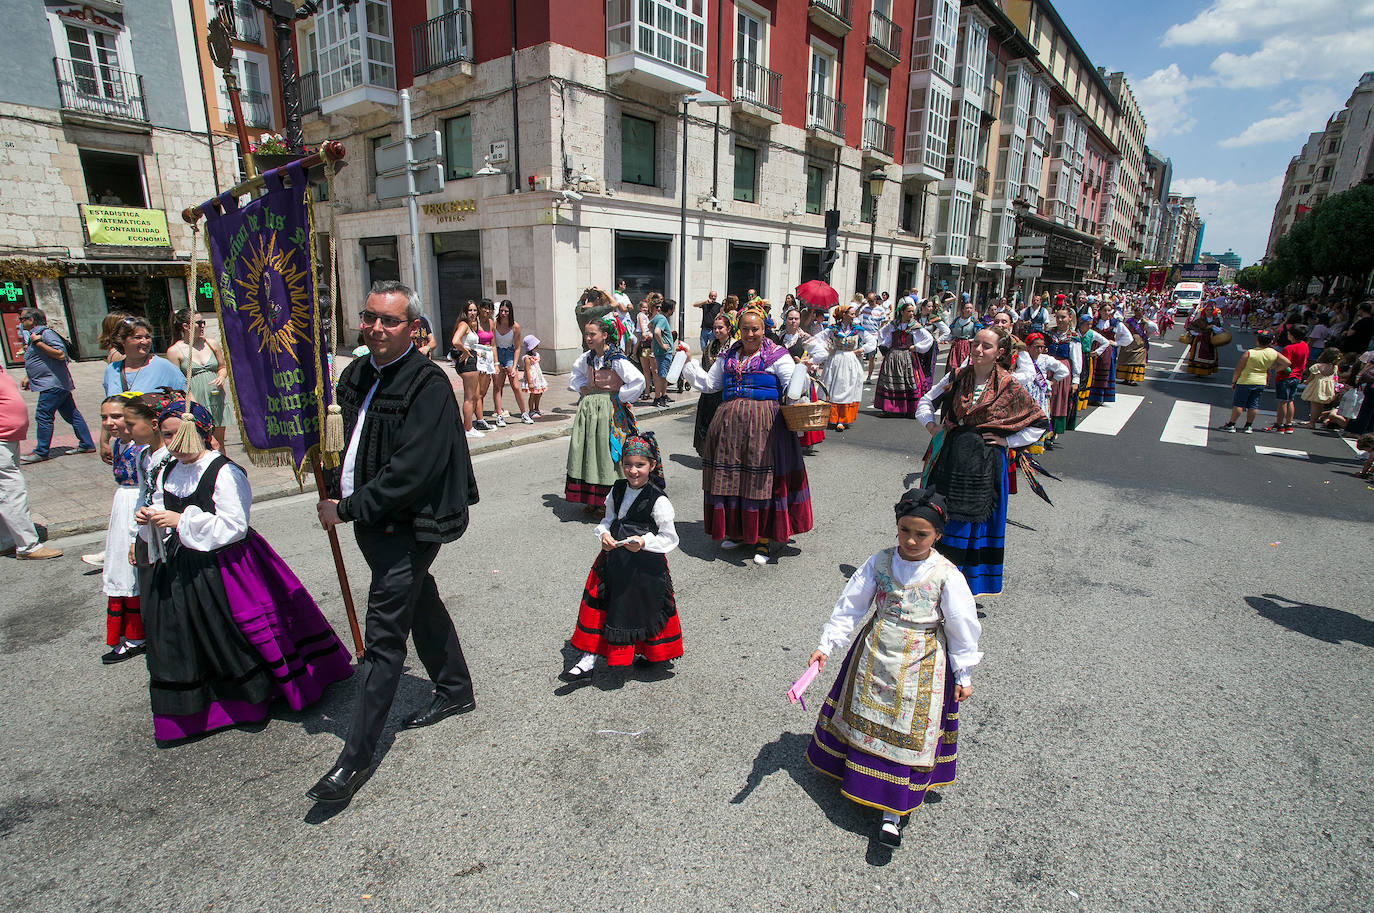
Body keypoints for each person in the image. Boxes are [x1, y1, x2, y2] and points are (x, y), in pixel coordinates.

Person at [312, 280, 481, 803]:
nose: (376, 328)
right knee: (418, 599)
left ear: (414, 329)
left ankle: (353, 760)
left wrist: (344, 508)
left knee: (383, 636)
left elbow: (410, 472)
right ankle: (454, 689)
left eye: (389, 321)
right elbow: (339, 435)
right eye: (369, 318)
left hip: (410, 524)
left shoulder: (428, 386)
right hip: (370, 521)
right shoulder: (358, 372)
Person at [137, 399, 354, 745]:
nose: (174, 445)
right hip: (185, 566)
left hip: (229, 566)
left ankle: (259, 698)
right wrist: (153, 520)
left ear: (203, 433)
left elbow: (234, 526)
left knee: (240, 632)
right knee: (192, 634)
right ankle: (209, 705)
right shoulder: (169, 470)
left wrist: (183, 520)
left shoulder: (223, 472)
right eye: (166, 437)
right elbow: (165, 506)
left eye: (180, 436)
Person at [804, 488, 982, 847]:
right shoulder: (880, 561)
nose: (912, 540)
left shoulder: (947, 575)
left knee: (906, 729)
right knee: (867, 716)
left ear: (938, 536)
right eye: (905, 530)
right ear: (897, 527)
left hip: (923, 658)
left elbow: (962, 624)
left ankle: (893, 814)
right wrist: (826, 645)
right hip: (876, 647)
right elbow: (851, 604)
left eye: (922, 534)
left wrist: (963, 672)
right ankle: (854, 774)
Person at [917, 328, 1048, 596]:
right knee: (943, 514)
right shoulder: (957, 376)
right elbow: (926, 400)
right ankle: (935, 583)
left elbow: (1039, 421)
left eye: (985, 346)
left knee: (975, 521)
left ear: (999, 353)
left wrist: (1008, 442)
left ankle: (966, 589)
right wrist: (931, 426)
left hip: (985, 462)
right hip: (952, 457)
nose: (977, 350)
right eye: (975, 344)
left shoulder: (1010, 385)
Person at [682, 306, 812, 564]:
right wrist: (687, 362)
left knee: (760, 481)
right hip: (729, 427)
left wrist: (801, 372)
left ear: (764, 330)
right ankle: (739, 532)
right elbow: (710, 384)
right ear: (738, 330)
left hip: (765, 425)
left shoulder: (777, 355)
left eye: (755, 329)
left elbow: (793, 388)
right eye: (745, 329)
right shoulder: (727, 356)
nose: (750, 333)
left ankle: (763, 539)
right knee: (732, 478)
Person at [561, 431, 681, 684]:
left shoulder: (658, 499)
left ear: (652, 466)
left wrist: (645, 541)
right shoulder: (616, 490)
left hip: (645, 566)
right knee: (600, 607)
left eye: (640, 465)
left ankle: (650, 654)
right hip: (612, 560)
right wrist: (603, 534)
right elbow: (608, 520)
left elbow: (669, 538)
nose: (633, 471)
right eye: (628, 464)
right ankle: (588, 658)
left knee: (641, 611)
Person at [565, 315, 647, 511]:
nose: (588, 338)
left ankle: (608, 502)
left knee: (607, 452)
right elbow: (575, 376)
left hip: (609, 410)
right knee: (589, 451)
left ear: (604, 335)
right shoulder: (588, 357)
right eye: (586, 334)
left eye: (592, 334)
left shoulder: (616, 359)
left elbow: (638, 380)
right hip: (589, 410)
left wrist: (620, 396)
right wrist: (583, 388)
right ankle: (593, 500)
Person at [97, 395, 146, 663]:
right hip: (122, 503)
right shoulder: (119, 444)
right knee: (121, 570)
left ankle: (137, 635)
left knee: (132, 571)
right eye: (105, 418)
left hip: (136, 506)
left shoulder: (141, 451)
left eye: (116, 417)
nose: (110, 423)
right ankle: (132, 634)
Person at [18, 307, 95, 463]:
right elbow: (41, 360)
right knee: (72, 414)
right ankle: (87, 443)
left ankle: (41, 451)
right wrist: (29, 376)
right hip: (55, 383)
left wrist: (38, 343)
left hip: (53, 384)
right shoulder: (35, 336)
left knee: (43, 415)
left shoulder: (45, 334)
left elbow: (61, 355)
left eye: (22, 319)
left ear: (31, 320)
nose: (20, 323)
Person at [0, 364, 61, 559]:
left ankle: (7, 541)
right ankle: (28, 546)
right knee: (12, 493)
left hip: (8, 438)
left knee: (5, 493)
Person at [166, 309, 228, 449]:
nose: (202, 326)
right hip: (194, 400)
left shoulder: (211, 343)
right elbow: (176, 383)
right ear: (186, 326)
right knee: (203, 443)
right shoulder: (175, 351)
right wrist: (189, 401)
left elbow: (222, 367)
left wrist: (221, 377)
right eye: (199, 323)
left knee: (219, 444)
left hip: (216, 398)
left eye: (203, 323)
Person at [812, 305, 876, 432]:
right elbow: (817, 338)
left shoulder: (857, 329)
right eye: (851, 314)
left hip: (851, 361)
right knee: (833, 388)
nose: (854, 316)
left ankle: (842, 419)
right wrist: (826, 348)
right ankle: (832, 417)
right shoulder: (833, 329)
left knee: (848, 388)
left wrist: (861, 350)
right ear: (844, 315)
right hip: (835, 360)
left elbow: (872, 342)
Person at [873, 301, 935, 417]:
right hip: (893, 357)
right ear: (902, 312)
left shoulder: (915, 326)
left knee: (910, 381)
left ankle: (911, 409)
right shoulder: (893, 324)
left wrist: (916, 347)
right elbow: (882, 333)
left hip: (908, 357)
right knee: (890, 382)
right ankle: (889, 409)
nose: (911, 314)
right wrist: (886, 345)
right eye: (909, 311)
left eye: (912, 311)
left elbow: (929, 339)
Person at [1219, 331, 1288, 434]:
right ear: (1270, 342)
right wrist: (1274, 368)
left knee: (1238, 404)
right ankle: (1248, 426)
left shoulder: (1250, 352)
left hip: (1245, 381)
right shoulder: (1273, 353)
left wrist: (1234, 381)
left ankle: (1231, 424)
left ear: (1257, 340)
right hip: (1260, 381)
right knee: (1253, 404)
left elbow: (1238, 368)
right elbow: (1287, 363)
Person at [695, 312, 735, 455]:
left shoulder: (735, 346)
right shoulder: (711, 345)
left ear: (729, 328)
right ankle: (708, 454)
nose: (717, 331)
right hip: (709, 392)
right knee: (707, 425)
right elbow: (703, 365)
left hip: (725, 394)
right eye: (715, 328)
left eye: (720, 328)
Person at [491, 300, 534, 425]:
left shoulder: (515, 326)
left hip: (509, 353)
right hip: (497, 353)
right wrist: (496, 363)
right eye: (501, 311)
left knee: (515, 385)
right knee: (497, 386)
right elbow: (493, 344)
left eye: (506, 311)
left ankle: (523, 413)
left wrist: (514, 366)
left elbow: (517, 347)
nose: (503, 313)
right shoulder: (494, 324)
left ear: (510, 312)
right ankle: (499, 415)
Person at [449, 300, 486, 438]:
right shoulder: (464, 325)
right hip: (467, 363)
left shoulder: (470, 326)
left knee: (475, 396)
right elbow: (455, 341)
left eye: (475, 310)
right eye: (470, 310)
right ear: (464, 312)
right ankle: (468, 428)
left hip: (471, 362)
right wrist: (466, 351)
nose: (473, 313)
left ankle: (469, 426)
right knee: (469, 398)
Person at [1045, 307, 1082, 437]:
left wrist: (1075, 381)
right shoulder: (1050, 333)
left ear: (1070, 318)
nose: (1060, 320)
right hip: (1048, 368)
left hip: (1062, 371)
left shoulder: (1073, 337)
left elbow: (1076, 360)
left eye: (1063, 317)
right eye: (1058, 317)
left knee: (1058, 400)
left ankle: (1054, 431)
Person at [1088, 305, 1131, 406]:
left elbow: (1128, 337)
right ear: (1100, 311)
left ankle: (1100, 397)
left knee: (1104, 372)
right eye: (1104, 310)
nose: (1107, 313)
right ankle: (1090, 396)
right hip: (1094, 348)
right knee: (1092, 370)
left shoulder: (1115, 323)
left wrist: (1116, 343)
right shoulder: (1094, 322)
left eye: (1109, 310)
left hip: (1107, 350)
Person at [1268, 325, 1308, 434]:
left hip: (1285, 377)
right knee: (1290, 400)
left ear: (1292, 335)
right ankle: (1288, 424)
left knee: (1282, 402)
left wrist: (1275, 369)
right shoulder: (1304, 345)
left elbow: (1286, 363)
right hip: (1297, 376)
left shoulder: (1288, 348)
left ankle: (1280, 425)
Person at [1114, 306, 1156, 387]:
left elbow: (1153, 328)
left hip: (1140, 344)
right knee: (1126, 359)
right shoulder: (1129, 321)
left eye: (1140, 313)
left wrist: (1147, 335)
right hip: (1129, 342)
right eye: (1137, 313)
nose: (1138, 315)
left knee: (1137, 362)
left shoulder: (1146, 322)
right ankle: (1126, 378)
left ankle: (1133, 378)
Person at [650, 298, 677, 408]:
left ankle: (663, 395)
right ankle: (659, 398)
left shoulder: (657, 317)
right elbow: (656, 331)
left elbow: (650, 326)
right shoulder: (662, 319)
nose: (674, 311)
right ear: (669, 309)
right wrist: (662, 344)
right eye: (673, 309)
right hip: (663, 352)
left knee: (662, 374)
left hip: (660, 352)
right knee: (662, 376)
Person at [1184, 304, 1223, 376]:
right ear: (1205, 311)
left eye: (1211, 310)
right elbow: (1191, 327)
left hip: (1211, 340)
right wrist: (1197, 334)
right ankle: (1197, 371)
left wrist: (1213, 327)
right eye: (1207, 310)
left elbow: (1219, 330)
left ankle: (1206, 371)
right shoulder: (1201, 320)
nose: (1209, 311)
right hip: (1200, 340)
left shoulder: (1216, 320)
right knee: (1198, 355)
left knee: (1209, 355)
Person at [945, 300, 980, 375]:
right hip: (956, 345)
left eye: (971, 308)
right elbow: (950, 331)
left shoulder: (974, 321)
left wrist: (973, 340)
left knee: (964, 364)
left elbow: (979, 333)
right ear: (963, 309)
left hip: (967, 345)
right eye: (967, 308)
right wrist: (949, 339)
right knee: (952, 364)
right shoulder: (957, 320)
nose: (969, 310)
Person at [517, 333, 548, 417]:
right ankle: (531, 410)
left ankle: (537, 408)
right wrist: (530, 382)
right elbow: (527, 370)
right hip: (532, 379)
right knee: (533, 394)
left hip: (538, 378)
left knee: (539, 393)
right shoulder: (527, 358)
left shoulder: (536, 355)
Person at [693, 290, 721, 354]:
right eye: (712, 296)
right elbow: (694, 305)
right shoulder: (705, 304)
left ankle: (710, 360)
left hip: (713, 330)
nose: (713, 297)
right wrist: (704, 302)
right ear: (709, 296)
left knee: (712, 348)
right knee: (703, 347)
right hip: (704, 329)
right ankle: (705, 360)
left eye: (715, 296)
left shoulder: (718, 306)